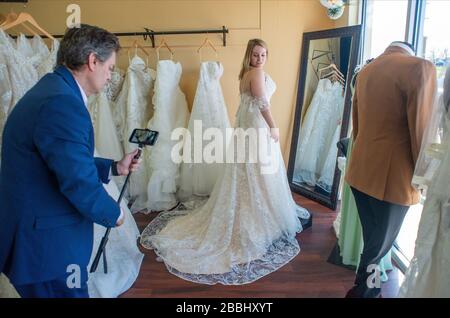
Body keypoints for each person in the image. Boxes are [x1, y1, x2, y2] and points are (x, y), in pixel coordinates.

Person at [140, 39, 311, 285]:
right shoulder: (256, 73)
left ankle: (255, 208)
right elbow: (262, 104)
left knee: (250, 172)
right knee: (258, 171)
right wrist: (274, 127)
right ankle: (259, 217)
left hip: (247, 128)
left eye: (263, 54)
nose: (260, 58)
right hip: (256, 128)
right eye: (256, 54)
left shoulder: (245, 75)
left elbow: (250, 104)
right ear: (249, 55)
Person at [0, 24, 141, 298]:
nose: (111, 76)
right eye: (110, 68)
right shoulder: (62, 103)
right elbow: (78, 182)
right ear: (92, 61)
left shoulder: (53, 90)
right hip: (45, 248)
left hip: (35, 234)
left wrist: (113, 167)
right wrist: (117, 214)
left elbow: (58, 161)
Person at [344, 41, 436, 298]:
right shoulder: (419, 68)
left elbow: (357, 126)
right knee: (378, 247)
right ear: (411, 50)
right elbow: (421, 131)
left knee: (374, 243)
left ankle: (368, 290)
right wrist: (425, 176)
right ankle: (363, 293)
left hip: (360, 173)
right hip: (392, 180)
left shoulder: (365, 72)